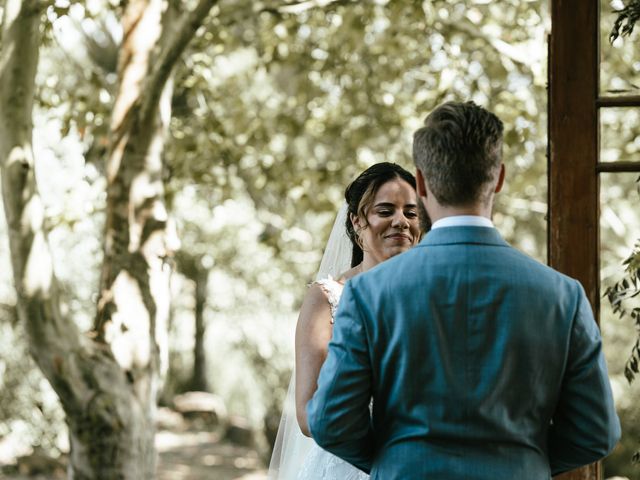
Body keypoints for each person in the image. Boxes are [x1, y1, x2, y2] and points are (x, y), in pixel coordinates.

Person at [307, 101, 621, 479]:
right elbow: (596, 431)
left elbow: (330, 422)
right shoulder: (563, 295)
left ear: (421, 185)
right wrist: (523, 462)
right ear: (499, 178)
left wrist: (395, 461)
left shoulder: (368, 293)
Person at [268, 162, 424, 479]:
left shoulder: (434, 297)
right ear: (356, 222)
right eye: (385, 211)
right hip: (347, 467)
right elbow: (308, 413)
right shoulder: (327, 298)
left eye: (411, 212)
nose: (401, 221)